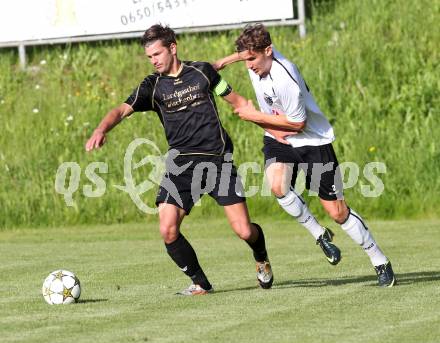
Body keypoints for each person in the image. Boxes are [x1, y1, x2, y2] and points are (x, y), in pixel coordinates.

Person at [85, 24, 273, 295]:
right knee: (168, 229)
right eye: (149, 57)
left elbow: (236, 100)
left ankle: (261, 256)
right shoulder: (153, 86)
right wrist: (101, 129)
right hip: (181, 165)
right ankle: (200, 282)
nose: (154, 60)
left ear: (173, 48)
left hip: (217, 161)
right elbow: (120, 109)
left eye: (157, 54)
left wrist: (269, 124)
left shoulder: (202, 73)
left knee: (244, 231)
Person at [213, 24, 396, 287]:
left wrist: (255, 116)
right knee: (277, 186)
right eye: (246, 59)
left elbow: (297, 124)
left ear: (269, 51)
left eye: (252, 59)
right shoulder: (256, 61)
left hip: (312, 141)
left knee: (337, 211)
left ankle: (380, 261)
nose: (249, 66)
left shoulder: (285, 78)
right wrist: (223, 61)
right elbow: (245, 56)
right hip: (279, 138)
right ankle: (320, 235)